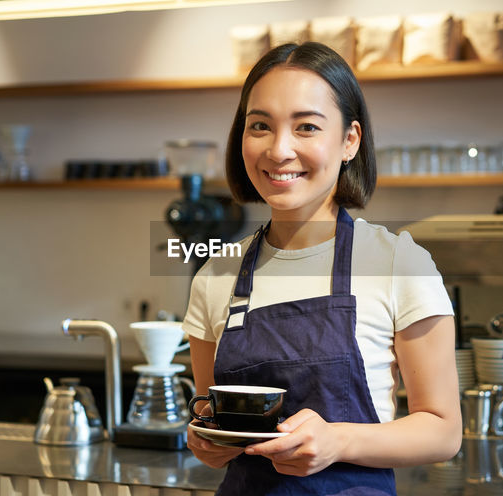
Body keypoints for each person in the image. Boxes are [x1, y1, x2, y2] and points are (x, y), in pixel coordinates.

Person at [181, 42, 461, 496]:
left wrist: (337, 440)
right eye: (260, 126)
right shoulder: (215, 276)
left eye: (306, 126)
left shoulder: (398, 262)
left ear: (349, 140)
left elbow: (443, 431)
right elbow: (212, 418)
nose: (279, 149)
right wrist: (206, 441)